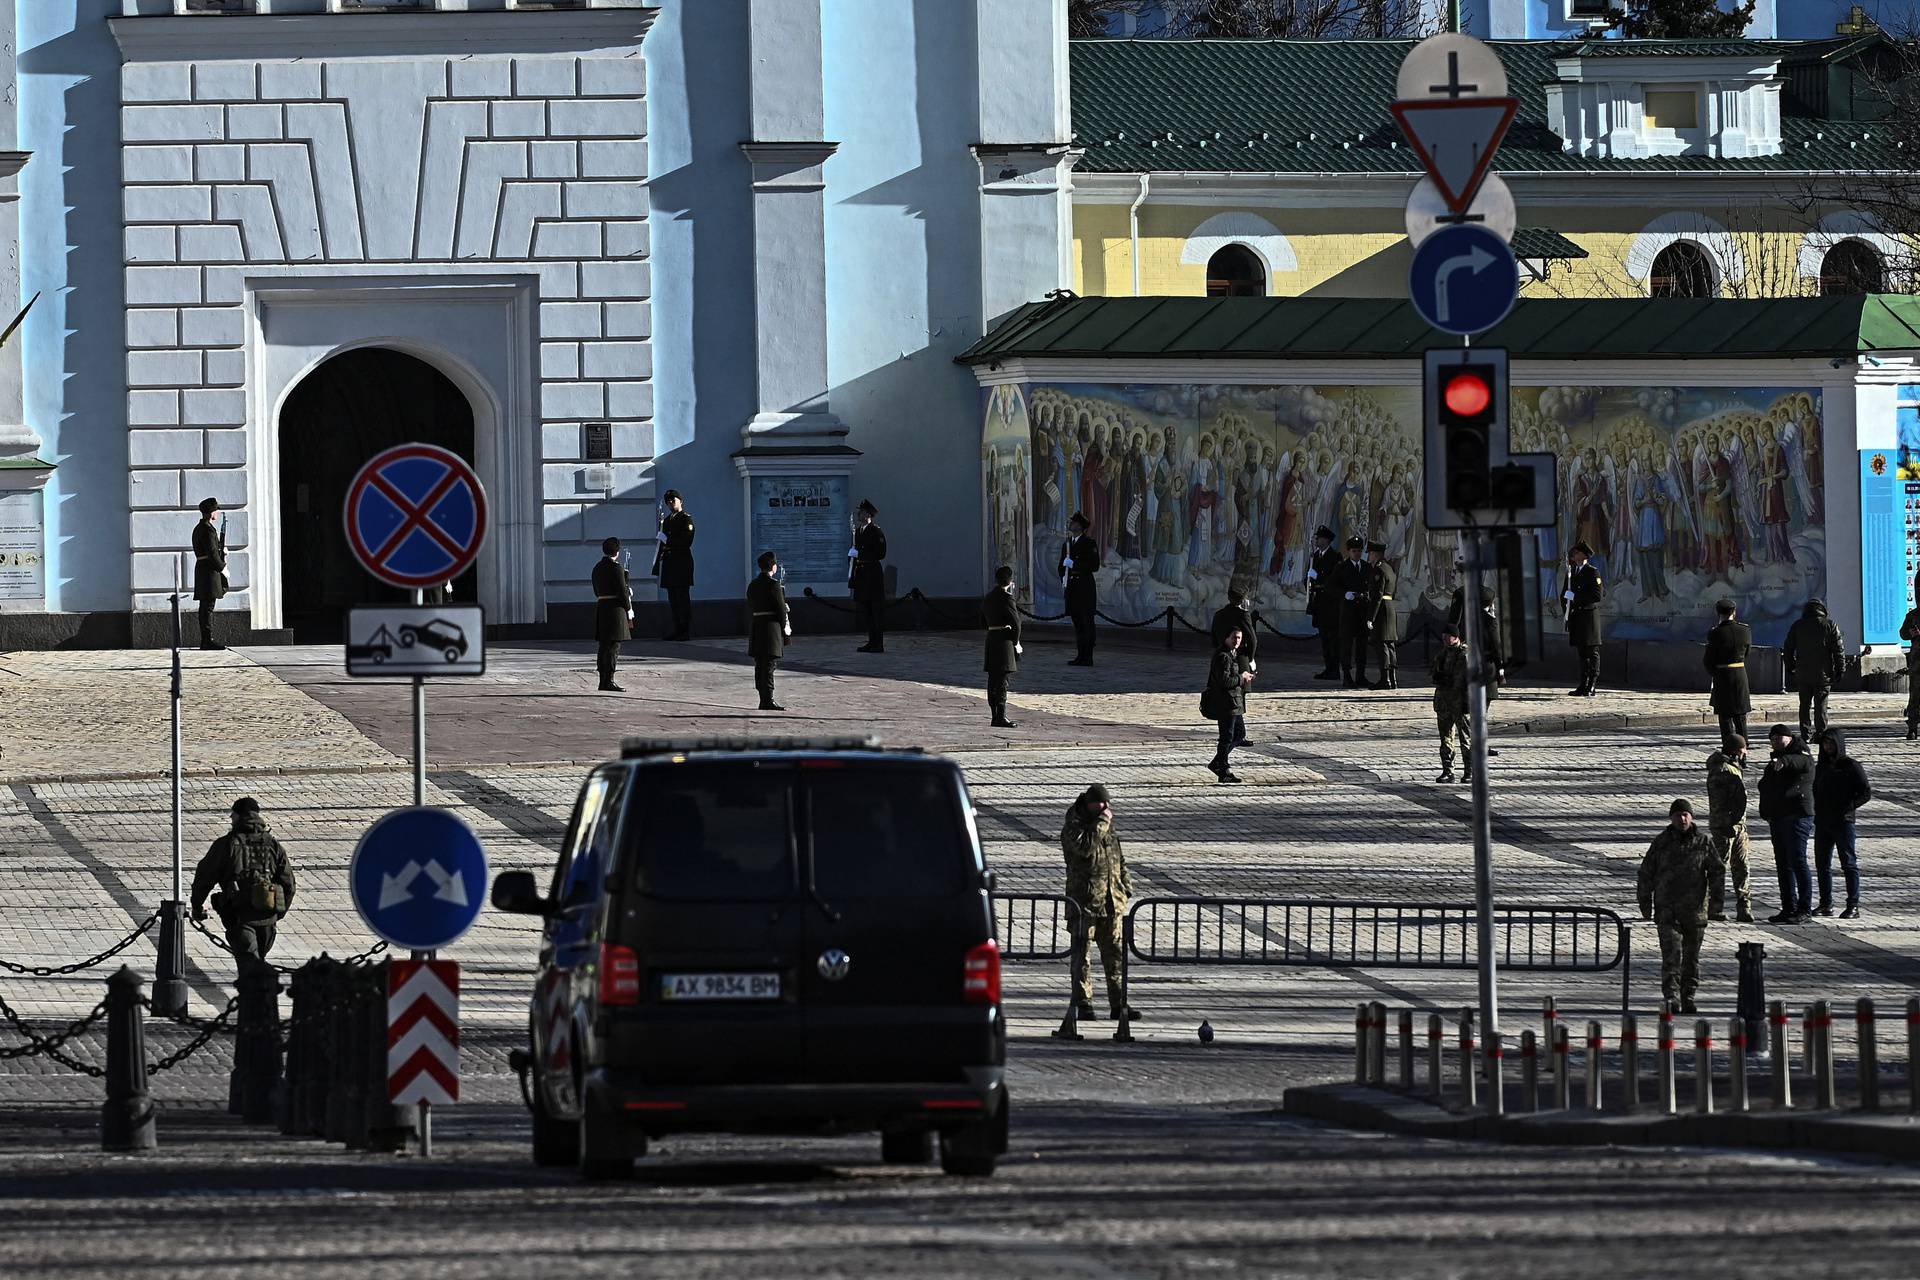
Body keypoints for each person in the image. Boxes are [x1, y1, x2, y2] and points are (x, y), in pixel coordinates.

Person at [1060, 785, 1139, 1023]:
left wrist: (1125, 886)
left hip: (1111, 901)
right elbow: (1085, 848)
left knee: (1115, 954)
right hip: (1084, 902)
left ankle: (1119, 1003)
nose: (1105, 809)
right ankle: (1083, 1004)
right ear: (1089, 804)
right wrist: (1102, 822)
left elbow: (1117, 857)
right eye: (1101, 805)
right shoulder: (1075, 826)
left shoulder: (1102, 824)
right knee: (1081, 956)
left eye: (1107, 805)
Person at [189, 797, 295, 967]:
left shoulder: (227, 844)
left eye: (232, 815)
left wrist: (197, 905)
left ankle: (254, 992)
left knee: (250, 969)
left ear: (238, 816)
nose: (231, 819)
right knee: (258, 966)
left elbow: (205, 877)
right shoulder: (274, 845)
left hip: (240, 916)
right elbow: (288, 884)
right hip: (268, 919)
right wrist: (278, 911)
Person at [1637, 798, 1714, 1015]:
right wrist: (1645, 903)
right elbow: (1646, 874)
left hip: (1695, 912)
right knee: (1671, 957)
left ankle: (1688, 995)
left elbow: (1717, 871)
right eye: (1678, 815)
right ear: (1671, 818)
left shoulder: (1703, 842)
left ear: (1692, 817)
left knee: (1691, 958)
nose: (1682, 819)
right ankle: (1672, 997)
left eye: (1685, 814)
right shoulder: (1661, 843)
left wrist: (1715, 905)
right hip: (1667, 912)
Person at [1756, 722, 1814, 924]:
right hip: (1778, 817)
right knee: (1783, 864)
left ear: (1788, 738)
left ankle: (1804, 908)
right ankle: (1788, 907)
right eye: (1771, 740)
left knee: (1798, 861)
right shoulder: (1774, 760)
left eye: (1778, 738)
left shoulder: (1801, 754)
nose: (1774, 742)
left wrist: (1785, 761)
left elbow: (1801, 763)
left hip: (1797, 816)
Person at [1813, 728, 1871, 919]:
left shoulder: (1851, 766)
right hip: (1823, 821)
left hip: (1843, 821)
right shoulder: (1821, 766)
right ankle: (1825, 903)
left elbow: (1865, 792)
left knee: (1848, 863)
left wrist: (1849, 806)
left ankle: (1853, 904)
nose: (1828, 747)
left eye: (1831, 743)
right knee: (1822, 864)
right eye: (1825, 743)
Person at [1781, 598, 1845, 741]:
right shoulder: (1830, 625)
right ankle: (1821, 733)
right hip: (1824, 674)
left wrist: (1791, 665)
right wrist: (1841, 668)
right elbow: (1838, 650)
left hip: (1803, 673)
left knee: (1804, 705)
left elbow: (1788, 648)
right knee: (1821, 705)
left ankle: (1805, 733)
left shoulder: (1798, 625)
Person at [1705, 738, 1752, 923]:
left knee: (1741, 866)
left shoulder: (1730, 766)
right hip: (1726, 827)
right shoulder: (1724, 770)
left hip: (1736, 825)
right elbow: (1736, 799)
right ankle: (1715, 908)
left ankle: (1744, 908)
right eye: (1743, 749)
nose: (1745, 753)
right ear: (1735, 751)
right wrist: (1731, 822)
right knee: (1720, 868)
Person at [1204, 623, 1253, 783]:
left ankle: (1218, 762)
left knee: (1239, 734)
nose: (1236, 640)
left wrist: (1243, 676)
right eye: (1233, 637)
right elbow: (1224, 681)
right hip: (1226, 703)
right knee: (1226, 737)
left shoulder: (1232, 654)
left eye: (1239, 638)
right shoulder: (1223, 656)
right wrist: (1242, 677)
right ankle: (1223, 769)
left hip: (1234, 702)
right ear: (1226, 638)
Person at [1704, 598, 1751, 752]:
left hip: (1722, 675)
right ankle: (1744, 747)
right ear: (1734, 612)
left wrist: (1716, 673)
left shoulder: (1715, 633)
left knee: (1725, 717)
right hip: (1740, 674)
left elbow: (1708, 660)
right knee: (1740, 716)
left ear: (1718, 613)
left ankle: (1729, 747)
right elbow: (1747, 653)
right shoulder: (1745, 630)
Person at [746, 550, 790, 711]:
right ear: (773, 567)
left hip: (757, 626)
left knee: (760, 665)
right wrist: (785, 624)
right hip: (771, 628)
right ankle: (768, 699)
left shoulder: (753, 584)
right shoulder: (774, 585)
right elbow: (780, 609)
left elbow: (750, 604)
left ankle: (762, 698)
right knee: (769, 665)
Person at [1430, 622, 1472, 784]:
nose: (1446, 639)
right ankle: (1448, 771)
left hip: (1461, 702)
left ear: (1456, 637)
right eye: (1444, 637)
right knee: (1446, 739)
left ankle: (1469, 771)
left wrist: (1468, 701)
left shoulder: (1466, 654)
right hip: (1444, 701)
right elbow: (1433, 673)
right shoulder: (1442, 654)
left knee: (1466, 739)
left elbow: (1470, 680)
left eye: (1448, 636)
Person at [591, 536, 633, 693]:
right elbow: (622, 592)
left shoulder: (597, 568)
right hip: (615, 611)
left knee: (603, 646)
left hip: (602, 607)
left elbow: (596, 590)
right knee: (613, 647)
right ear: (617, 552)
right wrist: (628, 607)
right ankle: (609, 680)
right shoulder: (616, 568)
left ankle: (603, 679)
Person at [654, 489, 696, 641]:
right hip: (670, 564)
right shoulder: (667, 520)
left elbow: (686, 541)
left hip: (681, 563)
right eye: (669, 501)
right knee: (673, 598)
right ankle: (677, 628)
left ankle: (684, 630)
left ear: (680, 501)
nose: (671, 503)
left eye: (674, 500)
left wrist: (668, 543)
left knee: (682, 597)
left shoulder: (686, 519)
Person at [1563, 541, 1603, 697]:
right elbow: (1565, 594)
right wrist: (1566, 611)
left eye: (1576, 553)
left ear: (1584, 555)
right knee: (1581, 653)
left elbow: (1596, 595)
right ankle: (1582, 684)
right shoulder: (1571, 572)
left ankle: (1592, 685)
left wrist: (1576, 597)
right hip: (1576, 617)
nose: (1573, 555)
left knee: (1591, 652)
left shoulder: (1593, 572)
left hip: (1589, 617)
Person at [983, 565, 1022, 728]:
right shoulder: (1006, 598)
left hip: (991, 638)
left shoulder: (989, 597)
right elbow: (1016, 623)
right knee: (1002, 681)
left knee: (993, 679)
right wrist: (1016, 641)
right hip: (1004, 642)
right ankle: (1000, 716)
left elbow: (981, 620)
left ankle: (994, 715)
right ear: (1010, 581)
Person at [1060, 511, 1100, 666]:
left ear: (1081, 526)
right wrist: (1063, 576)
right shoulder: (1067, 544)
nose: (1071, 524)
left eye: (1074, 522)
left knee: (1087, 622)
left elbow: (1094, 566)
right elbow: (1061, 565)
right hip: (1072, 587)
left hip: (1085, 587)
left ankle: (1088, 656)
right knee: (1077, 622)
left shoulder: (1089, 543)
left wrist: (1074, 565)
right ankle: (1080, 654)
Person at [849, 499, 887, 654]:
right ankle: (871, 641)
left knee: (875, 611)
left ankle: (879, 643)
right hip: (862, 574)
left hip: (872, 574)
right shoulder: (858, 531)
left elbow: (881, 553)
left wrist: (860, 553)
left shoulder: (876, 531)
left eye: (862, 512)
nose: (859, 514)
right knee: (866, 611)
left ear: (868, 514)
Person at [191, 497, 227, 651]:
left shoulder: (201, 527)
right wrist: (222, 567)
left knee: (206, 606)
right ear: (212, 512)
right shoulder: (207, 529)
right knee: (207, 607)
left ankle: (207, 639)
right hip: (209, 571)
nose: (217, 513)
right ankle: (207, 640)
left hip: (204, 569)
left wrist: (222, 550)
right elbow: (211, 553)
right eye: (216, 510)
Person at [1307, 525, 1341, 680]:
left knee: (1332, 639)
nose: (1317, 540)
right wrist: (1308, 579)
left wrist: (1318, 578)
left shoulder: (1335, 557)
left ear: (1326, 540)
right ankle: (1328, 668)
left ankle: (1334, 669)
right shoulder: (1315, 556)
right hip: (1319, 603)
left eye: (1319, 538)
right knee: (1324, 640)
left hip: (1330, 604)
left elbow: (1334, 581)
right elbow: (1309, 580)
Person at [1336, 535, 1370, 688]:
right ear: (1349, 552)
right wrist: (1343, 593)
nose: (1357, 554)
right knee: (1347, 646)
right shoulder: (1342, 568)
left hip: (1362, 612)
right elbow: (1331, 587)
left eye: (1359, 551)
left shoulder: (1366, 567)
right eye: (1354, 551)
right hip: (1348, 613)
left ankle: (1361, 675)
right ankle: (1347, 676)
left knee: (1362, 645)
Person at [1365, 540, 1399, 690]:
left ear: (1375, 554)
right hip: (1390, 607)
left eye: (1371, 554)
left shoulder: (1378, 570)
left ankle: (1385, 680)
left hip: (1382, 610)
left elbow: (1377, 596)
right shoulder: (1389, 569)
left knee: (1381, 645)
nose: (1369, 557)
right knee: (1390, 645)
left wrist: (1370, 618)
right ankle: (1393, 679)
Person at [1210, 585, 1257, 674]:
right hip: (1239, 657)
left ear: (1229, 597)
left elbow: (1213, 639)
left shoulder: (1218, 614)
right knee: (1242, 685)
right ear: (1242, 600)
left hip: (1221, 655)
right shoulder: (1243, 615)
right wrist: (1249, 658)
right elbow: (1252, 640)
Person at [1901, 603, 1920, 740]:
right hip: (1917, 662)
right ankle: (1912, 727)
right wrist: (1910, 633)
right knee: (1915, 694)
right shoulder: (1912, 615)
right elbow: (1902, 633)